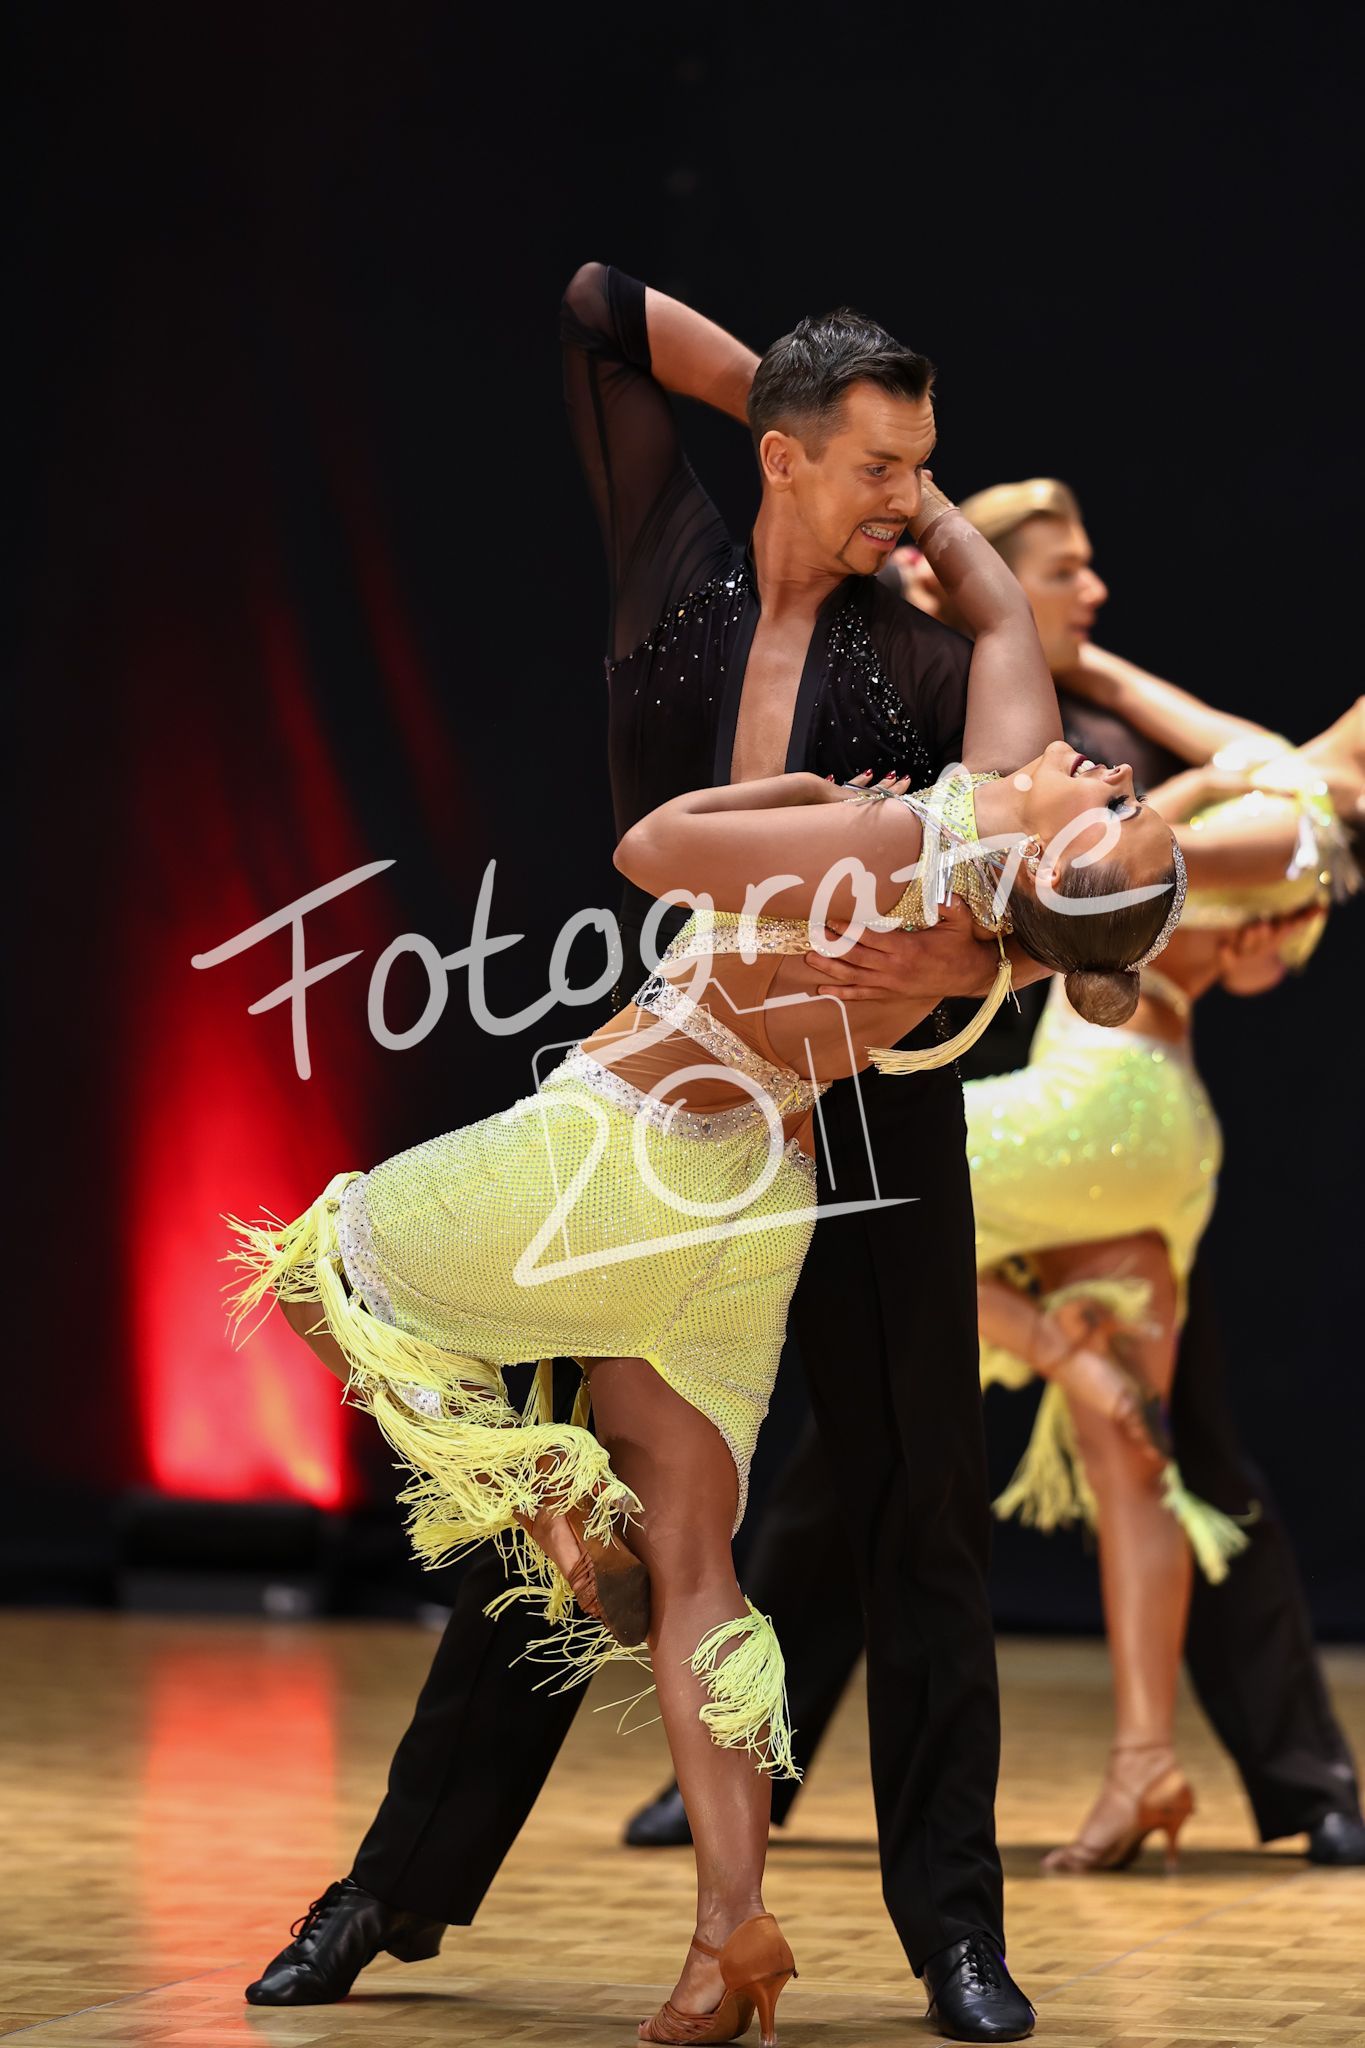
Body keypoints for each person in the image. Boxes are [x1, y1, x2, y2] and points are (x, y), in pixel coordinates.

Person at [233, 463, 1181, 2041]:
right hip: (757, 1191)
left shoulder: (931, 812)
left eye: (1120, 806)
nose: (1117, 772)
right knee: (688, 1559)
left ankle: (551, 1508)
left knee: (326, 1265)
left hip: (652, 1150)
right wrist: (921, 514)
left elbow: (661, 847)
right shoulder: (994, 909)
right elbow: (1021, 706)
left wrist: (814, 803)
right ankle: (713, 1926)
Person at [627, 482, 1365, 1871]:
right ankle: (778, 1770)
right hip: (989, 1112)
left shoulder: (1092, 764)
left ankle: (1297, 1771)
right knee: (878, 1462)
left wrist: (1196, 914)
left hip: (1065, 1119)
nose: (1093, 592)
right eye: (1064, 573)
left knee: (1172, 1442)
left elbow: (1174, 885)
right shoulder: (940, 718)